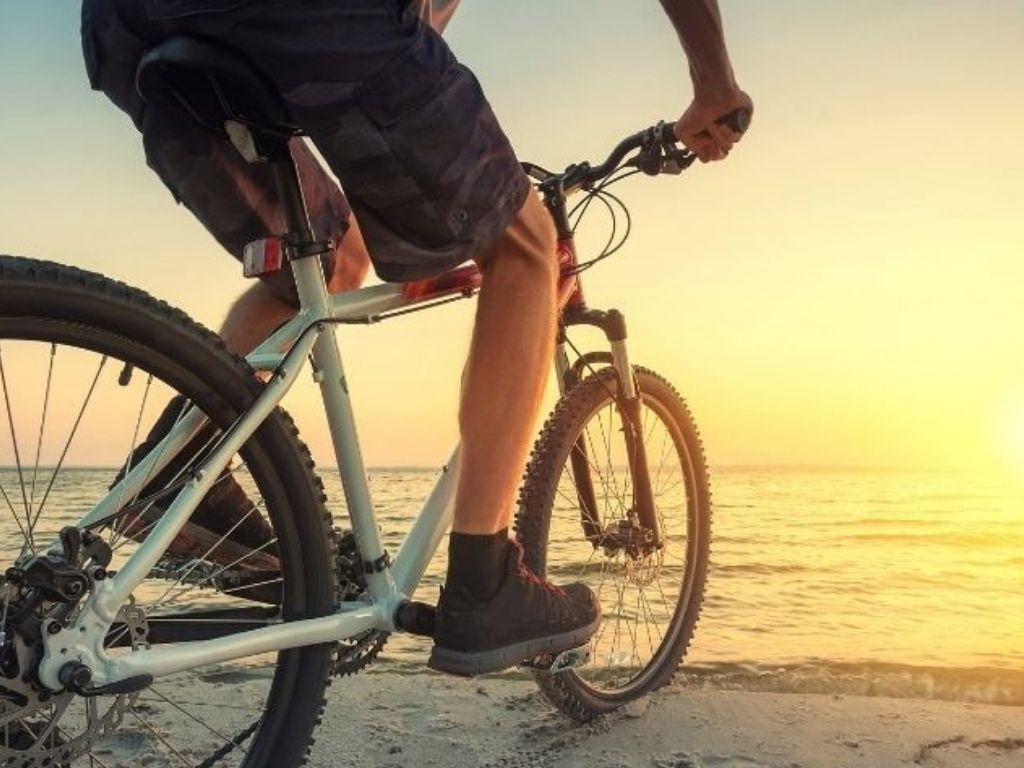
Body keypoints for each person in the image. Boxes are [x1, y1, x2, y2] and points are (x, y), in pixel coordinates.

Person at [80, 0, 752, 676]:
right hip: (301, 21)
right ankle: (485, 579)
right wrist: (715, 87)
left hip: (127, 26)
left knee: (327, 261)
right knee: (525, 244)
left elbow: (403, 52)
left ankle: (177, 470)